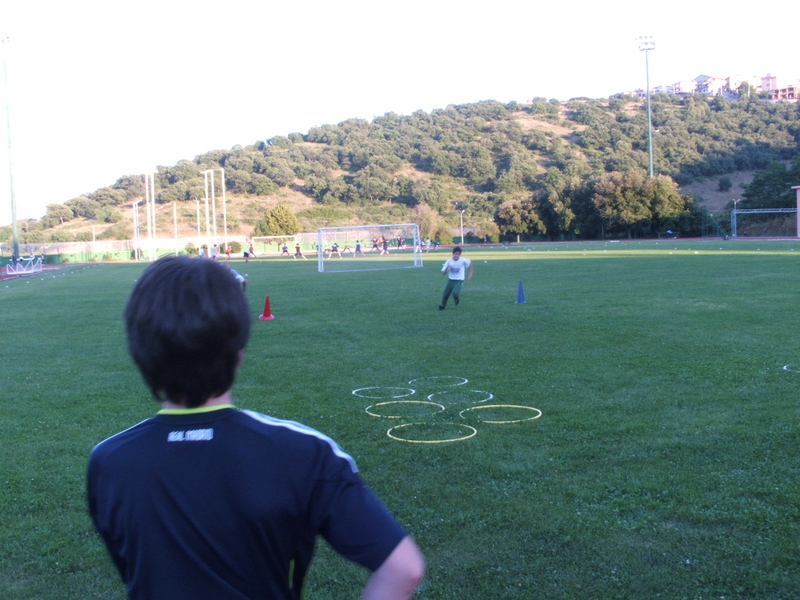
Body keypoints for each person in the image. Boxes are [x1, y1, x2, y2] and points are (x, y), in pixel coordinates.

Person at [87, 256, 424, 600]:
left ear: (138, 350)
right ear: (239, 350)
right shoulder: (302, 452)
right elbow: (404, 568)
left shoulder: (109, 462)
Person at [439, 246, 473, 310]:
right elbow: (444, 273)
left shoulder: (462, 260)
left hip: (459, 280)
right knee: (445, 294)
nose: (456, 255)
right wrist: (447, 268)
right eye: (455, 254)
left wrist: (470, 273)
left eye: (458, 254)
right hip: (451, 280)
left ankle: (457, 300)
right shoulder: (449, 261)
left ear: (460, 254)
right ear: (453, 254)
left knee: (455, 293)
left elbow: (470, 262)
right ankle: (443, 306)